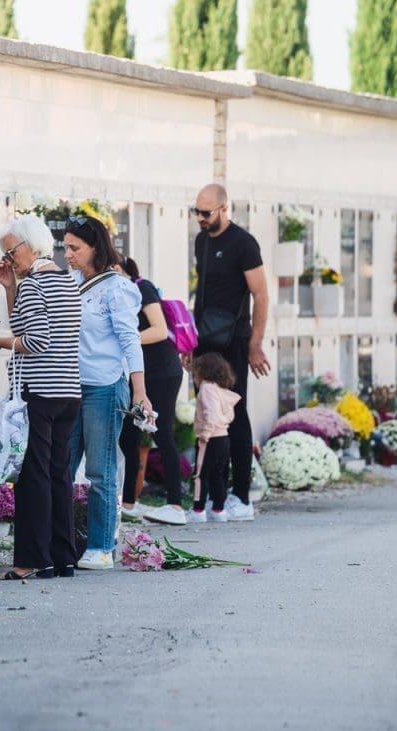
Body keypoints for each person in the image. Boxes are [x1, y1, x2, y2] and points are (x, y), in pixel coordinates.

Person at [0, 215, 82, 580]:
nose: (9, 260)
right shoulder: (66, 281)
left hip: (39, 392)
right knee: (58, 474)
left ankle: (31, 560)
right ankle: (62, 557)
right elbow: (25, 326)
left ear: (32, 246)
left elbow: (34, 342)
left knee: (32, 476)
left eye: (11, 252)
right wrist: (10, 288)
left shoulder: (35, 285)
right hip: (68, 391)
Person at [63, 216, 151, 571]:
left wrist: (139, 391)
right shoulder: (70, 282)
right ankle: (60, 543)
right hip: (70, 386)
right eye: (65, 247)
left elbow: (130, 340)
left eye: (75, 248)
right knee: (62, 466)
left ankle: (101, 547)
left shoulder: (117, 288)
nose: (67, 254)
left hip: (105, 386)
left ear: (95, 247)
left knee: (100, 470)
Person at [189, 183, 271, 522]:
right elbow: (202, 293)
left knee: (233, 414)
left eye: (206, 213)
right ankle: (213, 496)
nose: (200, 218)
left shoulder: (243, 243)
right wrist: (190, 343)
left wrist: (255, 344)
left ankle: (242, 496)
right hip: (205, 339)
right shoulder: (202, 241)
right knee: (207, 416)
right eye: (196, 212)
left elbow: (261, 295)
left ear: (224, 209)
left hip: (234, 339)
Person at [115, 257, 187, 526]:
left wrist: (125, 338)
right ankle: (129, 503)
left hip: (163, 372)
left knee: (162, 433)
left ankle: (176, 505)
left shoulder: (141, 287)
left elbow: (159, 330)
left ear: (120, 268)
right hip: (139, 373)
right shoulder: (115, 295)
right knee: (129, 436)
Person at [189, 353, 240, 523]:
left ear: (203, 372)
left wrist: (205, 433)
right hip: (223, 437)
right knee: (217, 475)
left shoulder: (206, 389)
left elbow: (211, 413)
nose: (194, 377)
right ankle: (218, 509)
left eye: (195, 373)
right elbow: (226, 415)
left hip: (209, 439)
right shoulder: (221, 390)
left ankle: (198, 511)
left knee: (200, 475)